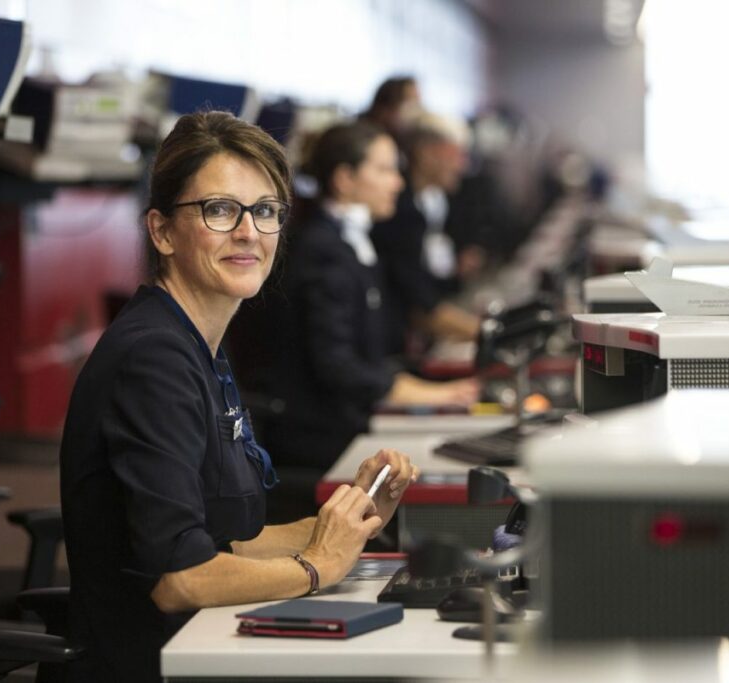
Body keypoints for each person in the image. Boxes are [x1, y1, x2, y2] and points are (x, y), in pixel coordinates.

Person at [59, 111, 419, 682]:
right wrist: (316, 565)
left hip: (203, 642)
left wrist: (348, 517)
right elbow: (181, 576)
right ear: (161, 231)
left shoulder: (195, 340)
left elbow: (223, 543)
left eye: (266, 211)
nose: (249, 231)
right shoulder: (153, 361)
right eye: (220, 210)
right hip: (156, 663)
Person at [260, 121, 479, 477]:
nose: (398, 182)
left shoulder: (353, 243)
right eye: (384, 170)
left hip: (347, 421)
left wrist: (415, 385)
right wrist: (413, 391)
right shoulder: (323, 249)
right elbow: (336, 364)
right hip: (321, 437)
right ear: (345, 179)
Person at [370, 111, 482, 357]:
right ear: (425, 153)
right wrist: (488, 333)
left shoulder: (433, 203)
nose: (462, 165)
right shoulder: (400, 212)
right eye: (456, 154)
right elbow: (420, 306)